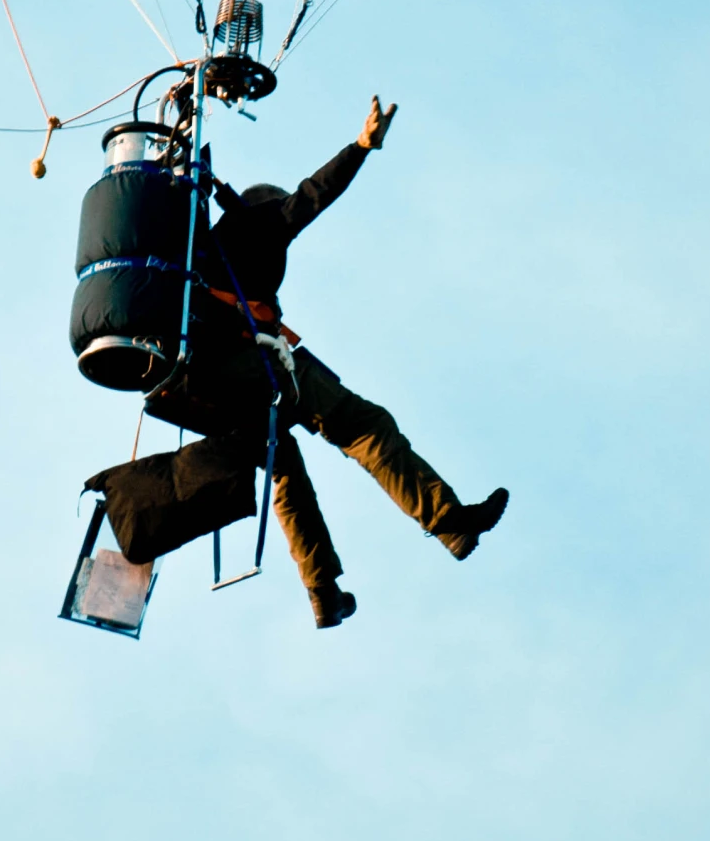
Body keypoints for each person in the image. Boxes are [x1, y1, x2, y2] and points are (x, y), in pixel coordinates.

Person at [148, 97, 508, 627]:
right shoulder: (260, 223)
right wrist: (362, 146)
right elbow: (313, 196)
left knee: (285, 468)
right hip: (248, 365)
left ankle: (323, 592)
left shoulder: (197, 247)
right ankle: (451, 521)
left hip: (192, 382)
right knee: (365, 426)